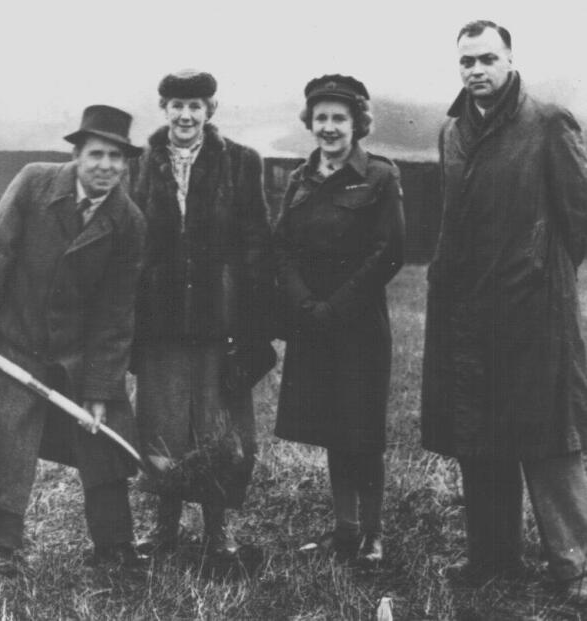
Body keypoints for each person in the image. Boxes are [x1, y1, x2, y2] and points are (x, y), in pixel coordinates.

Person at [421, 21, 587, 599]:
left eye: (487, 59)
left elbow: (579, 216)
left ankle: (575, 569)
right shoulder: (451, 129)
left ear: (511, 59)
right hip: (469, 315)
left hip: (536, 315)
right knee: (480, 435)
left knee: (548, 440)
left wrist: (541, 271)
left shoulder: (548, 122)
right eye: (466, 62)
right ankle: (494, 560)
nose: (476, 71)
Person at [0, 105, 147, 574]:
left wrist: (101, 390)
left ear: (126, 164)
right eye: (96, 153)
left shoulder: (129, 221)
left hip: (78, 355)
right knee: (3, 444)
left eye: (116, 157)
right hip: (13, 339)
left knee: (105, 439)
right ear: (77, 155)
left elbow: (115, 315)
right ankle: (4, 548)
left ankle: (114, 547)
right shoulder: (34, 183)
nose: (106, 165)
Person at [128, 70, 276, 561]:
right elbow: (130, 248)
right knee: (162, 425)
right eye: (176, 105)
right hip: (160, 324)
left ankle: (217, 530)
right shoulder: (141, 165)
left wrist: (252, 328)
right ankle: (164, 525)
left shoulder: (241, 163)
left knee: (218, 429)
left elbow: (257, 247)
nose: (186, 115)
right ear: (164, 108)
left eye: (196, 105)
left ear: (211, 109)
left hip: (219, 321)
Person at [273, 75, 405, 565]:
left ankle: (373, 533)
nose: (328, 128)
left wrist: (336, 307)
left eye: (339, 119)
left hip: (359, 326)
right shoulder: (297, 179)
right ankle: (344, 529)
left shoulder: (380, 176)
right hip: (313, 323)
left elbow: (388, 252)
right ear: (310, 123)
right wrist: (306, 305)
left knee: (362, 431)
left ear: (357, 124)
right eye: (321, 118)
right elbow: (281, 246)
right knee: (332, 426)